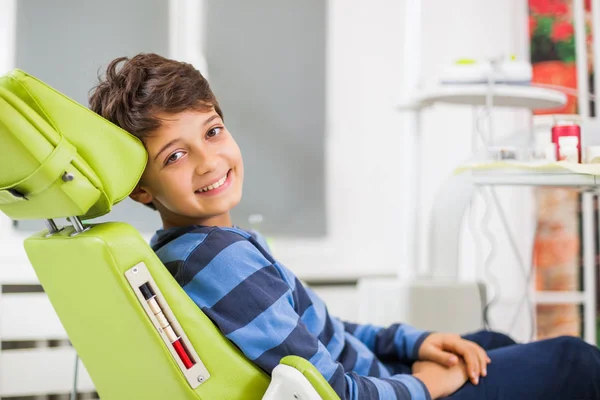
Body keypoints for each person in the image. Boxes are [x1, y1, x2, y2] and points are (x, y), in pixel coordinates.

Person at [89, 53, 600, 400]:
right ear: (141, 188)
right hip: (384, 391)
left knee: (490, 340)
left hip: (383, 376)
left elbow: (316, 327)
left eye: (213, 132)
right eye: (176, 155)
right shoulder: (220, 261)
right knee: (572, 361)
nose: (208, 161)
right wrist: (424, 385)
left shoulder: (197, 248)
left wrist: (412, 342)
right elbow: (329, 390)